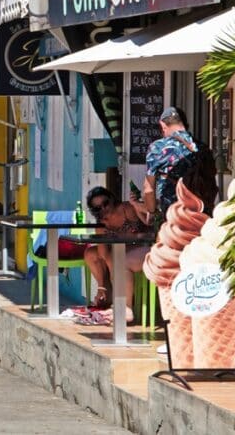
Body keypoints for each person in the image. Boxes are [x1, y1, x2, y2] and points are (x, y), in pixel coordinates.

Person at [81, 186, 154, 322]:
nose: (103, 209)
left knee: (119, 260)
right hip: (119, 252)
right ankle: (107, 292)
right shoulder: (101, 224)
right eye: (98, 208)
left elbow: (148, 221)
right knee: (91, 253)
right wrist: (102, 285)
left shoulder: (127, 209)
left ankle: (124, 305)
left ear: (111, 199)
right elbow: (104, 254)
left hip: (141, 247)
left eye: (105, 203)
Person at [132, 106, 198, 229]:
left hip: (170, 214)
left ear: (163, 125)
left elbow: (149, 189)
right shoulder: (200, 147)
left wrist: (151, 212)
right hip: (198, 212)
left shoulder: (157, 148)